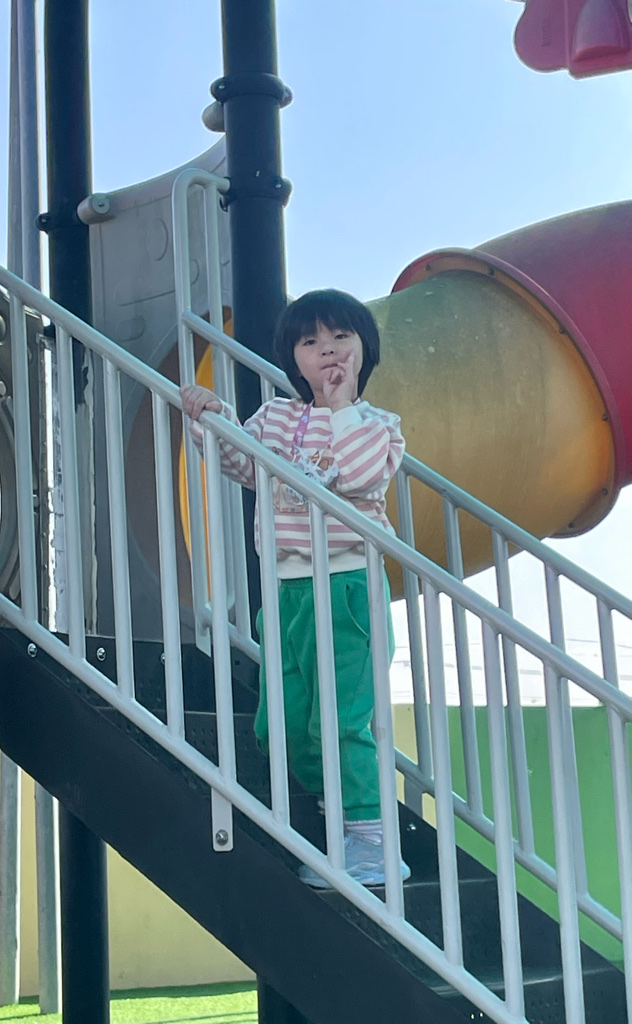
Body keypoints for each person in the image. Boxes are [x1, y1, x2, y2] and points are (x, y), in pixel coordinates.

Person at [181, 288, 409, 888]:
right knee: (280, 726)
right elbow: (240, 463)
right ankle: (342, 819)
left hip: (348, 587)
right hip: (284, 590)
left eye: (341, 338)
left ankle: (373, 841)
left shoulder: (376, 426)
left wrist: (340, 407)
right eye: (311, 342)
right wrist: (212, 417)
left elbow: (359, 476)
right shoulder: (277, 418)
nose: (327, 350)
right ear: (294, 359)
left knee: (342, 720)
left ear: (364, 351)